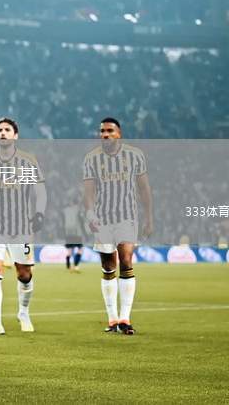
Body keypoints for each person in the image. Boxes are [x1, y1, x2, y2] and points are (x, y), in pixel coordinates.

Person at [83, 117, 153, 335]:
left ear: (119, 133)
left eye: (110, 131)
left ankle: (125, 318)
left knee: (126, 260)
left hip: (127, 217)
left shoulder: (134, 155)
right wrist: (90, 213)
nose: (105, 134)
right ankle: (112, 318)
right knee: (108, 266)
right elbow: (88, 191)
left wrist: (149, 217)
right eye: (102, 131)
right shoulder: (91, 158)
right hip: (102, 219)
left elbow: (144, 188)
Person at [0, 118, 46, 335]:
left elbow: (39, 190)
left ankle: (23, 312)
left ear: (15, 135)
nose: (2, 133)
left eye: (7, 130)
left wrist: (39, 213)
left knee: (24, 273)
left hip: (21, 226)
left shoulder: (27, 161)